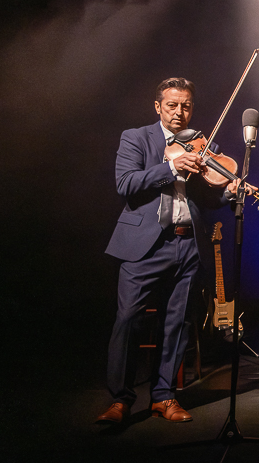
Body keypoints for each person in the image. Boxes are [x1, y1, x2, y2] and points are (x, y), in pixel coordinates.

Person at [97, 77, 239, 424]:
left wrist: (229, 193)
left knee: (178, 322)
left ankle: (164, 396)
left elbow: (207, 197)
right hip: (145, 245)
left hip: (188, 242)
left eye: (186, 105)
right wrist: (171, 166)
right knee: (128, 319)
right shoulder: (136, 137)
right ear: (158, 106)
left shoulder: (203, 145)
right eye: (172, 105)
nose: (179, 112)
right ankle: (121, 399)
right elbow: (126, 183)